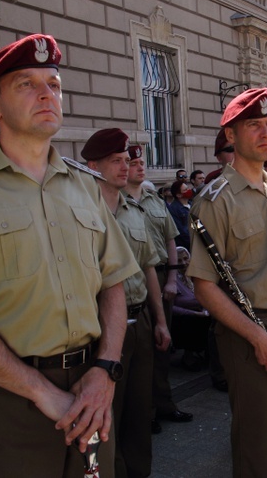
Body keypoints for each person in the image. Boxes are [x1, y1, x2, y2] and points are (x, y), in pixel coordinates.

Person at [0, 33, 140, 477]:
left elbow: (113, 282)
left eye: (53, 83)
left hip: (93, 388)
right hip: (6, 397)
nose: (46, 93)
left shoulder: (85, 184)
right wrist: (39, 390)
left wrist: (106, 369)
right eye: (26, 84)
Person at [188, 87, 267, 478]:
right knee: (258, 448)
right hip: (251, 330)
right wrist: (259, 339)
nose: (266, 133)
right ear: (231, 135)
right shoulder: (215, 200)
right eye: (254, 125)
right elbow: (205, 286)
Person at [82, 129, 172, 478]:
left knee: (139, 411)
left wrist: (160, 320)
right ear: (93, 166)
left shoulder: (134, 211)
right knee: (108, 415)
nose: (125, 167)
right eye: (116, 161)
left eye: (126, 161)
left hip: (140, 321)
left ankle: (138, 471)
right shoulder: (83, 212)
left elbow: (149, 267)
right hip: (103, 329)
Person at [122, 145, 193, 433]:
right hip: (133, 281)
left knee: (162, 345)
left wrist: (174, 279)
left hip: (162, 277)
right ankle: (144, 411)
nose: (140, 167)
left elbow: (169, 239)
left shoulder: (153, 200)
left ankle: (165, 404)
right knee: (140, 349)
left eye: (142, 162)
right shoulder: (116, 200)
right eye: (134, 163)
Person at [168, 179, 192, 249]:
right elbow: (180, 230)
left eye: (188, 188)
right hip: (186, 244)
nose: (188, 191)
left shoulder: (192, 204)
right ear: (178, 195)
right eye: (185, 190)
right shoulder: (174, 209)